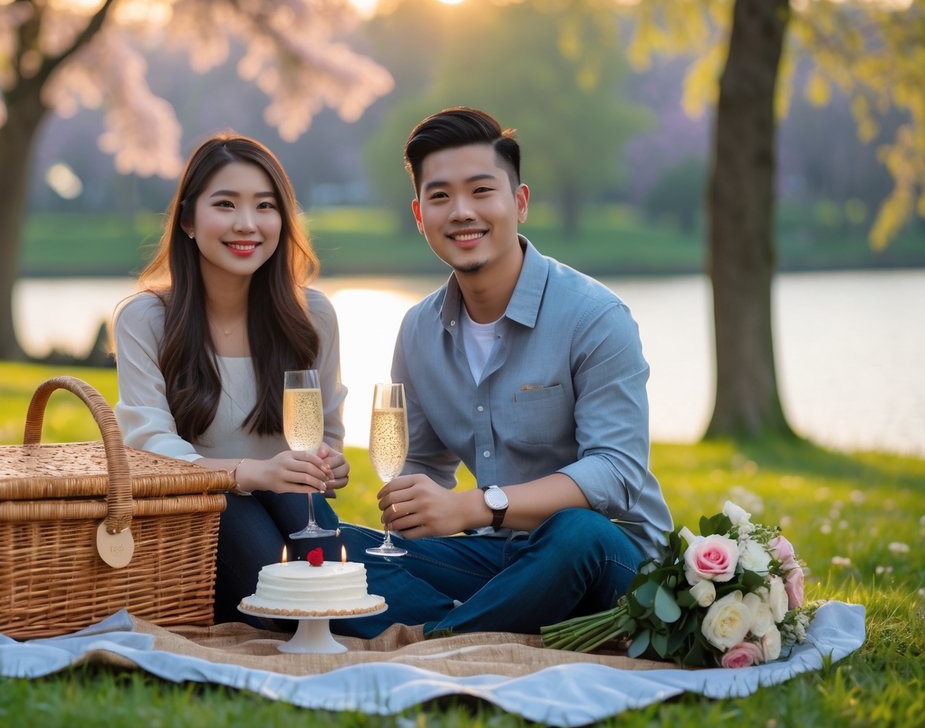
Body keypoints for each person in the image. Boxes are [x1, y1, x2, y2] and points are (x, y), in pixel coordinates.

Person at [336, 106, 673, 638]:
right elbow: (424, 463)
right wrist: (409, 514)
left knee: (577, 532)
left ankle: (438, 637)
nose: (462, 211)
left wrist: (475, 506)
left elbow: (615, 472)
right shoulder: (418, 330)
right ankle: (484, 619)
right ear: (420, 215)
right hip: (499, 560)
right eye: (440, 196)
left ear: (519, 203)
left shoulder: (594, 317)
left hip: (612, 559)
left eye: (481, 191)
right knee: (338, 549)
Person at [113, 133, 349, 625]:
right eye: (225, 204)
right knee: (282, 577)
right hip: (191, 518)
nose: (247, 224)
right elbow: (146, 447)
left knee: (318, 549)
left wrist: (328, 465)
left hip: (287, 506)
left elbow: (324, 434)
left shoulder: (313, 316)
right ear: (188, 221)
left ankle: (440, 619)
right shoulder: (146, 319)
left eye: (265, 206)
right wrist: (250, 473)